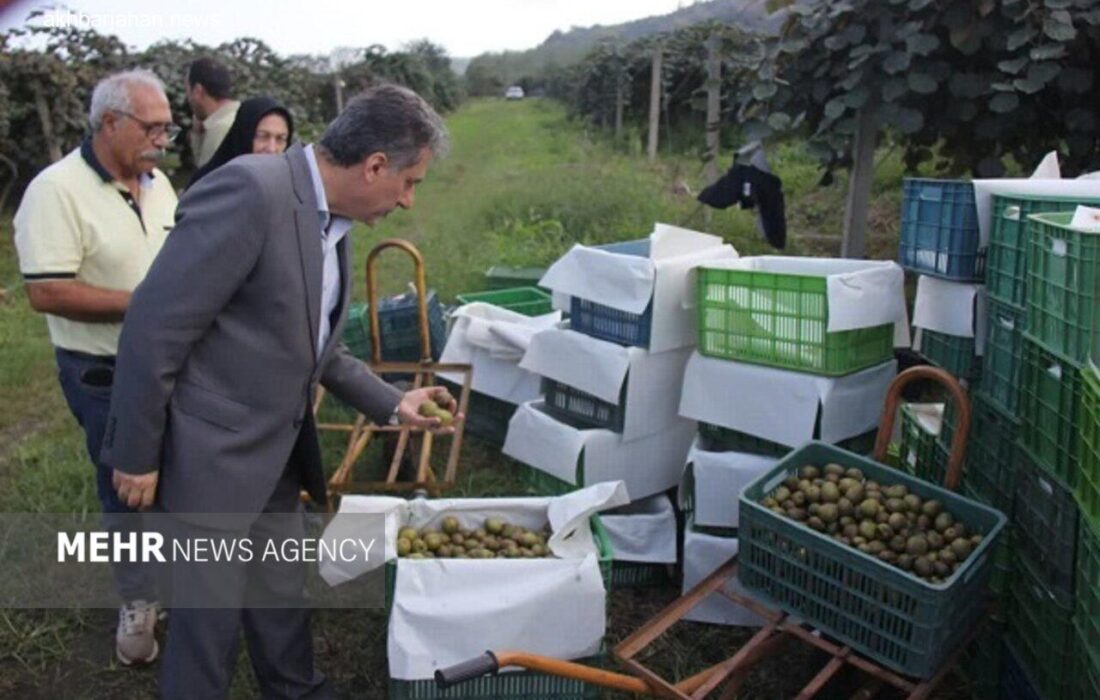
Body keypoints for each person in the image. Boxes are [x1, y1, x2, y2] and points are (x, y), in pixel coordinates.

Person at [99, 84, 457, 699]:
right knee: (206, 625)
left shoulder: (330, 223)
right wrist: (134, 453)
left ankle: (296, 690)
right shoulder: (252, 193)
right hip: (212, 458)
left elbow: (315, 346)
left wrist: (392, 401)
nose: (406, 199)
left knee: (278, 595)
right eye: (409, 182)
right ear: (374, 165)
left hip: (275, 453)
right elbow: (155, 327)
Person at [12, 69, 179, 665]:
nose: (163, 139)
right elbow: (47, 292)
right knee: (127, 484)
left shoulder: (159, 186)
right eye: (152, 127)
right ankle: (138, 601)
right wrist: (146, 307)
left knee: (174, 473)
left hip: (168, 361)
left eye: (167, 127)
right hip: (103, 370)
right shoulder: (55, 192)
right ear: (109, 123)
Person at [187, 96, 294, 187]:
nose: (272, 148)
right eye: (263, 136)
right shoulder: (208, 186)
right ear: (244, 136)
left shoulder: (289, 189)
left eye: (280, 139)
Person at [185, 56, 240, 169]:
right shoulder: (239, 115)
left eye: (188, 90)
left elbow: (205, 180)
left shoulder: (220, 129)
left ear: (197, 91)